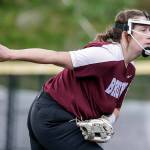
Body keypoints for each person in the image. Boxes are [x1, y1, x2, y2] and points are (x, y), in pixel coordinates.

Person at [0, 9, 150, 150]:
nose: (149, 34)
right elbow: (54, 56)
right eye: (143, 30)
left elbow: (117, 107)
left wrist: (107, 122)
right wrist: (11, 54)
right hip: (54, 119)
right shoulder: (106, 55)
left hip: (59, 120)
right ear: (125, 34)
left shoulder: (130, 69)